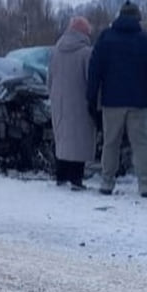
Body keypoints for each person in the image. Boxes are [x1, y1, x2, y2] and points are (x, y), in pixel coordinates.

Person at [86, 1, 147, 197]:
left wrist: (91, 98)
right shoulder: (146, 41)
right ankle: (146, 185)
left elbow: (94, 71)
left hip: (111, 101)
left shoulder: (105, 38)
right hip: (139, 102)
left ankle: (106, 183)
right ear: (137, 18)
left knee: (110, 143)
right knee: (140, 145)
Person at [47, 16, 97, 189]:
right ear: (84, 32)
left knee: (62, 139)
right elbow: (91, 81)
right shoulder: (86, 53)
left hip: (59, 102)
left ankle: (61, 175)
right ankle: (76, 178)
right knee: (79, 140)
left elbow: (49, 79)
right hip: (79, 103)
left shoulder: (55, 51)